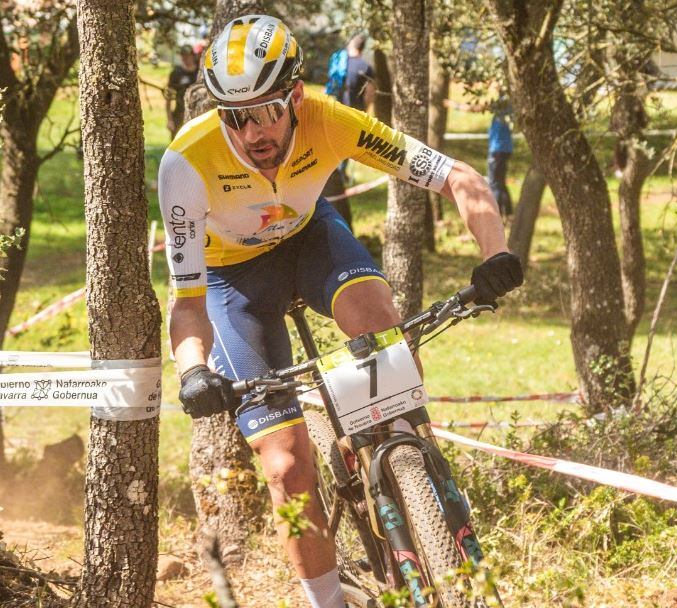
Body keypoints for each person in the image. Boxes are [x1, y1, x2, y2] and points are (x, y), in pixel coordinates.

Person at [159, 16, 522, 608]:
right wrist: (194, 371)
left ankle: (409, 467)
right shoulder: (186, 164)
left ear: (296, 95)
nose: (251, 131)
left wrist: (495, 254)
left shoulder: (330, 120)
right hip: (232, 281)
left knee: (380, 321)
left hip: (309, 240)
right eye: (234, 115)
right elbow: (188, 302)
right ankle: (325, 600)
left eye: (267, 109)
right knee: (285, 466)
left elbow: (459, 177)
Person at [166, 44, 199, 139]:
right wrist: (169, 120)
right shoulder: (176, 73)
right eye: (183, 55)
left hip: (197, 115)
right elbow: (168, 97)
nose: (185, 58)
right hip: (179, 115)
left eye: (187, 55)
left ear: (193, 55)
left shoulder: (200, 72)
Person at [487, 98, 514, 217]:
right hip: (505, 151)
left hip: (497, 151)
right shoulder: (506, 116)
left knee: (494, 183)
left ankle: (496, 211)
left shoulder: (500, 116)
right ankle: (508, 211)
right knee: (501, 183)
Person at [340, 33, 374, 112]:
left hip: (337, 110)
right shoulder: (366, 66)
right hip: (356, 113)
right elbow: (370, 93)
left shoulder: (341, 63)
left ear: (351, 44)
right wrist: (365, 110)